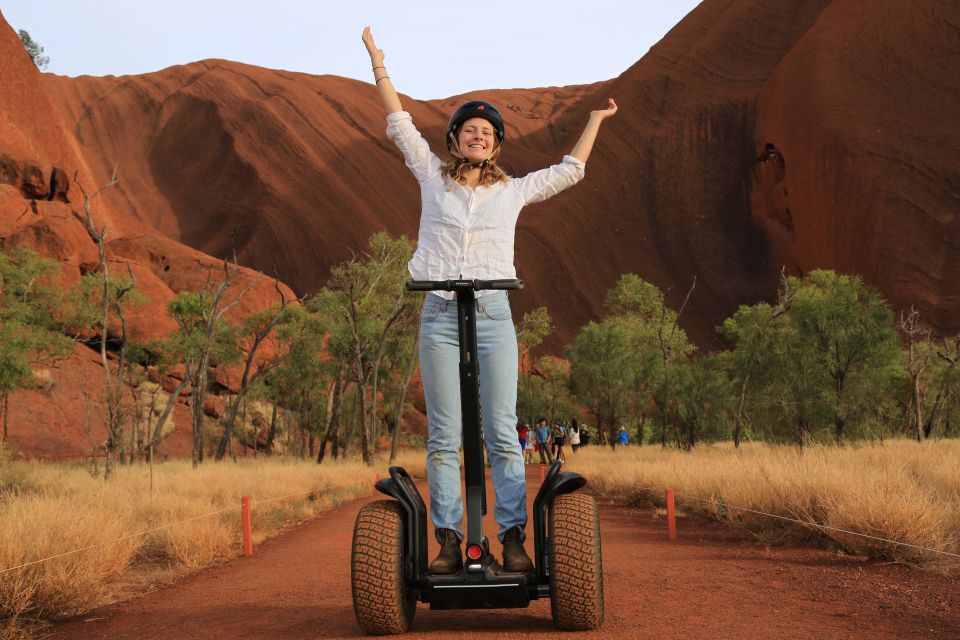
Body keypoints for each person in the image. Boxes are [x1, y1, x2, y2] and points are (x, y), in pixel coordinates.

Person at [362, 27, 618, 575]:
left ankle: (513, 538)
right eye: (469, 130)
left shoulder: (513, 191)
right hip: (439, 315)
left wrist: (595, 121)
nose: (478, 136)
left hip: (493, 315)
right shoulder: (432, 177)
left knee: (502, 431)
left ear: (496, 146)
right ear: (455, 141)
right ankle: (450, 540)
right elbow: (399, 125)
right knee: (444, 434)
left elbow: (570, 172)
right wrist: (379, 65)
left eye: (487, 132)